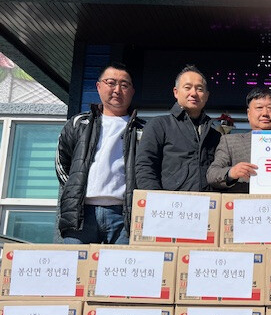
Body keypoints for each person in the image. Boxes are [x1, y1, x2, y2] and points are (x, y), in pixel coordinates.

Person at [55, 62, 143, 244]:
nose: (117, 90)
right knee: (74, 262)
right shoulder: (79, 123)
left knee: (121, 263)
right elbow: (62, 163)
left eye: (124, 85)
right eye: (111, 83)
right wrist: (75, 189)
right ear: (99, 86)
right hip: (81, 214)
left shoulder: (142, 130)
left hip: (125, 216)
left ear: (132, 91)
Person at [136, 65, 221, 191]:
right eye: (187, 87)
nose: (193, 93)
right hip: (171, 202)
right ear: (176, 92)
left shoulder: (214, 135)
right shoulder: (159, 125)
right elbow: (145, 167)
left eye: (199, 89)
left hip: (208, 201)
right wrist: (156, 198)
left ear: (207, 95)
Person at [206, 86, 271, 192]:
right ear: (249, 113)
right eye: (259, 107)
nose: (265, 113)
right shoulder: (230, 142)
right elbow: (212, 174)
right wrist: (231, 173)